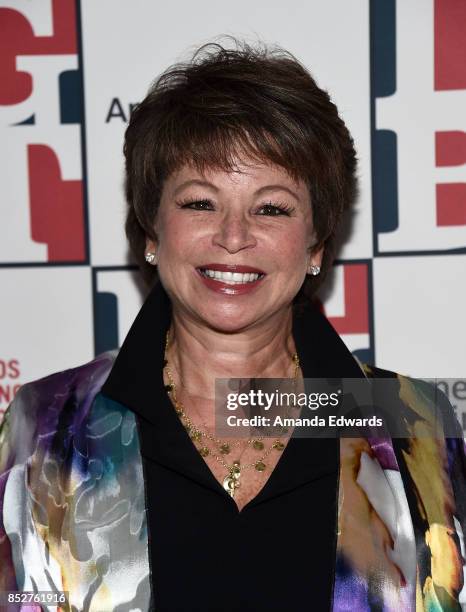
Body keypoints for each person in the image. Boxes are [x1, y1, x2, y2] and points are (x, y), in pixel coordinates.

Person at [1, 40, 465, 612]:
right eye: (200, 203)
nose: (233, 235)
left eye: (271, 208)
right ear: (151, 232)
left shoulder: (410, 426)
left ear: (317, 244)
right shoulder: (48, 427)